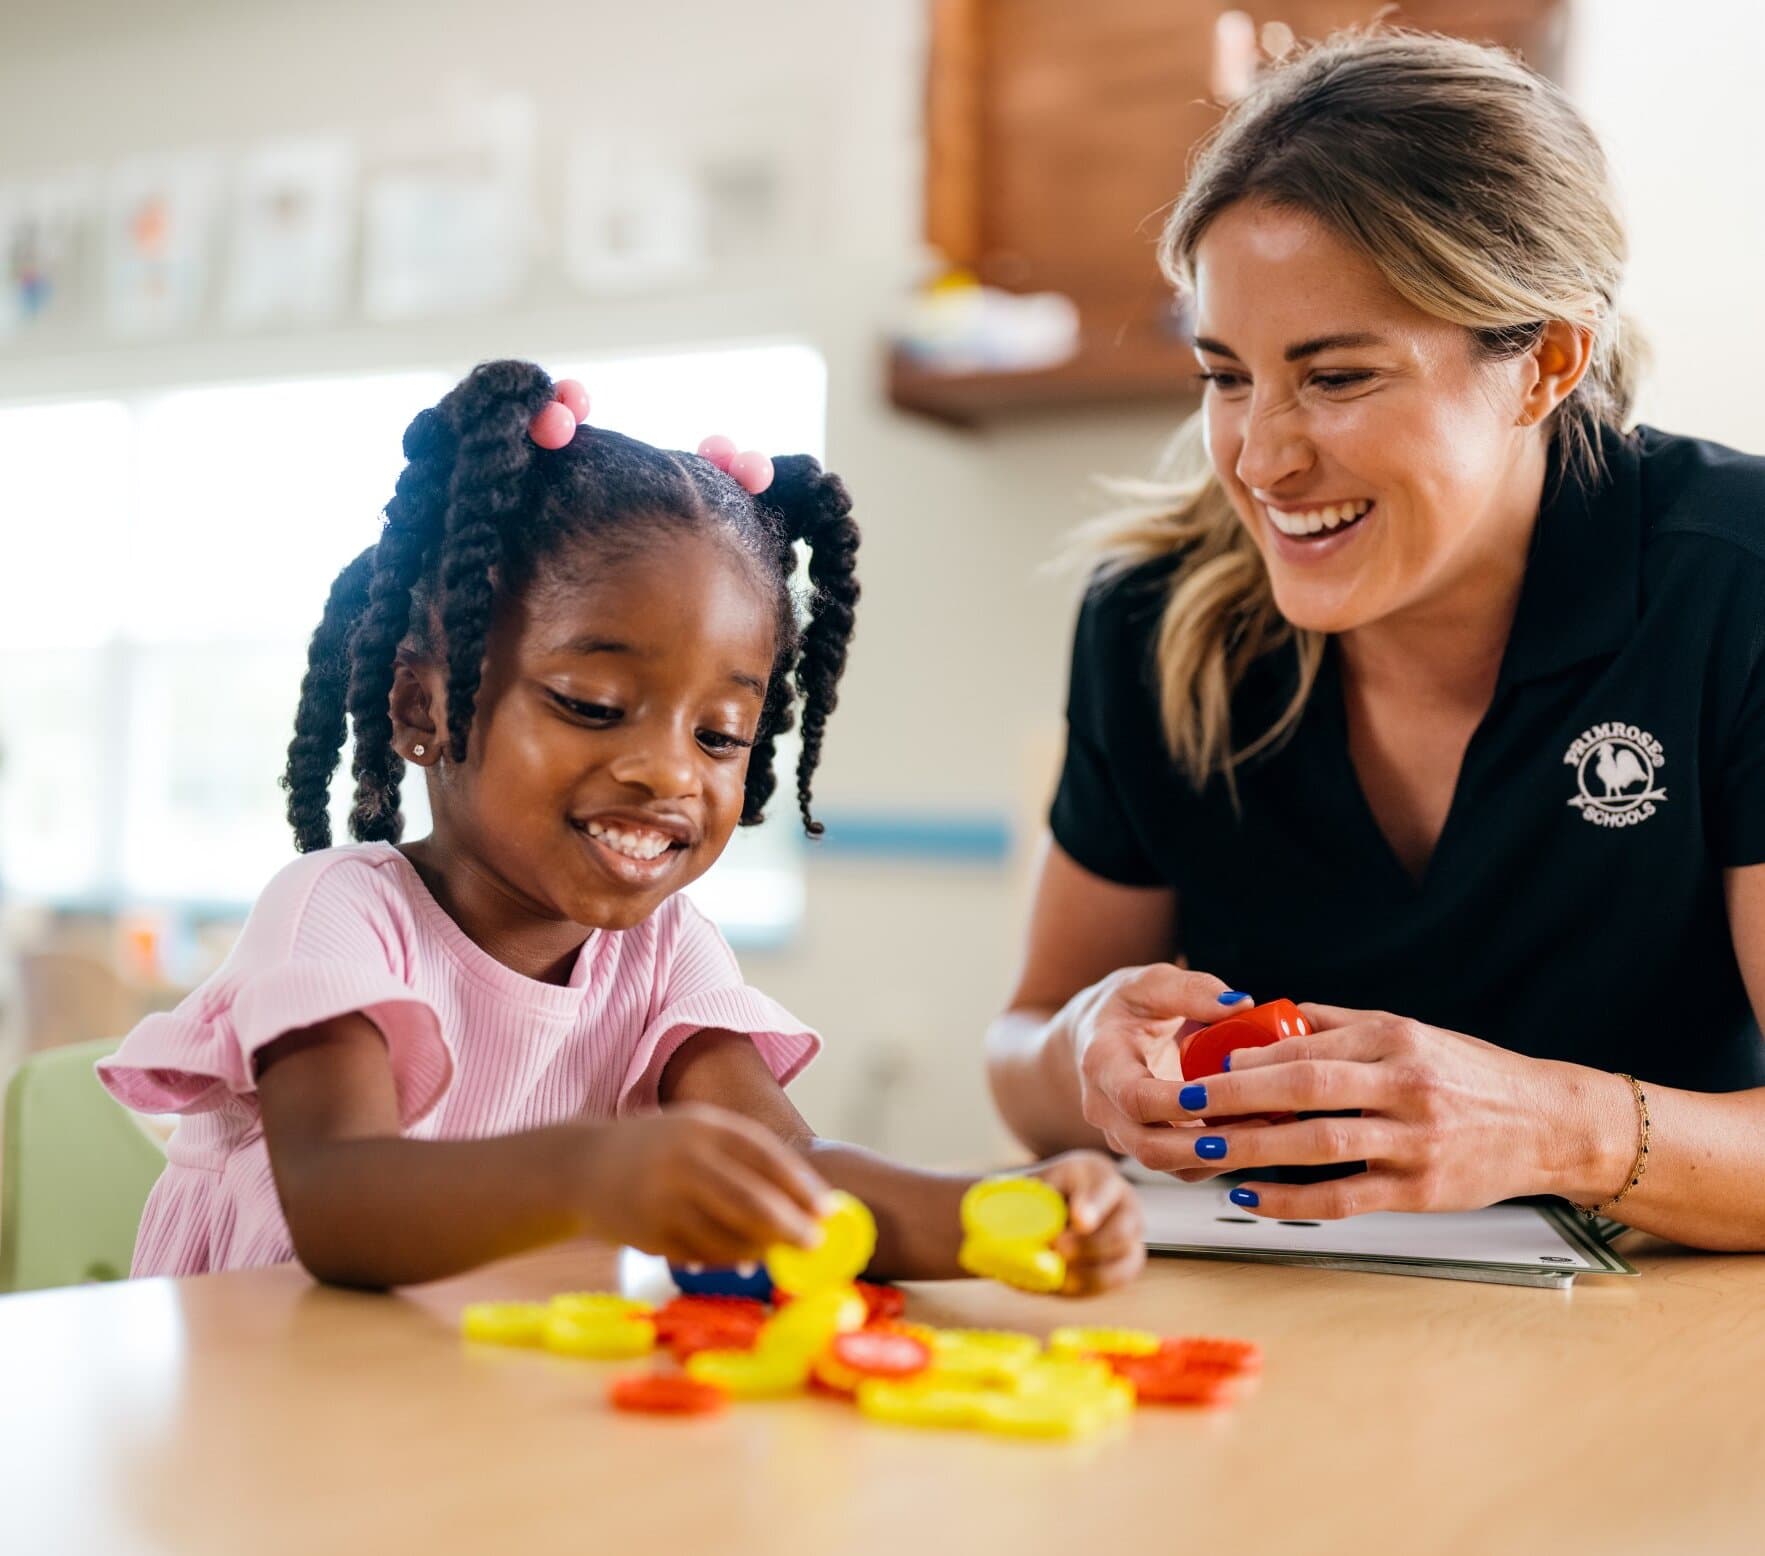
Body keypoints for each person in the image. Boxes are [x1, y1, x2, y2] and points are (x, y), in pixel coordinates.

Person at [99, 359, 1143, 1291]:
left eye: (722, 734)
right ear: (423, 707)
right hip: (268, 1408)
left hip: (472, 1408)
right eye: (593, 705)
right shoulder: (338, 915)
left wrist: (1005, 1214)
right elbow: (340, 1200)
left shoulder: (664, 953)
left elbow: (796, 1175)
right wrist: (590, 1172)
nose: (665, 773)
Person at [986, 32, 1765, 1249]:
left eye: (1336, 377)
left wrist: (1560, 1126)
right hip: (1283, 1332)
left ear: (1544, 361)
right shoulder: (1151, 615)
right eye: (1226, 375)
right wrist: (1085, 1048)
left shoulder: (1734, 583)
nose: (1259, 456)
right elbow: (1022, 1047)